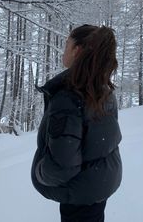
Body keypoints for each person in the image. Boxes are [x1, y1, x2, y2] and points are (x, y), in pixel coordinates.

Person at [31, 24, 122, 222]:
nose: (63, 50)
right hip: (97, 187)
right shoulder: (103, 91)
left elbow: (62, 167)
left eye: (66, 44)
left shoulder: (68, 98)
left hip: (79, 195)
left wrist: (39, 171)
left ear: (77, 50)